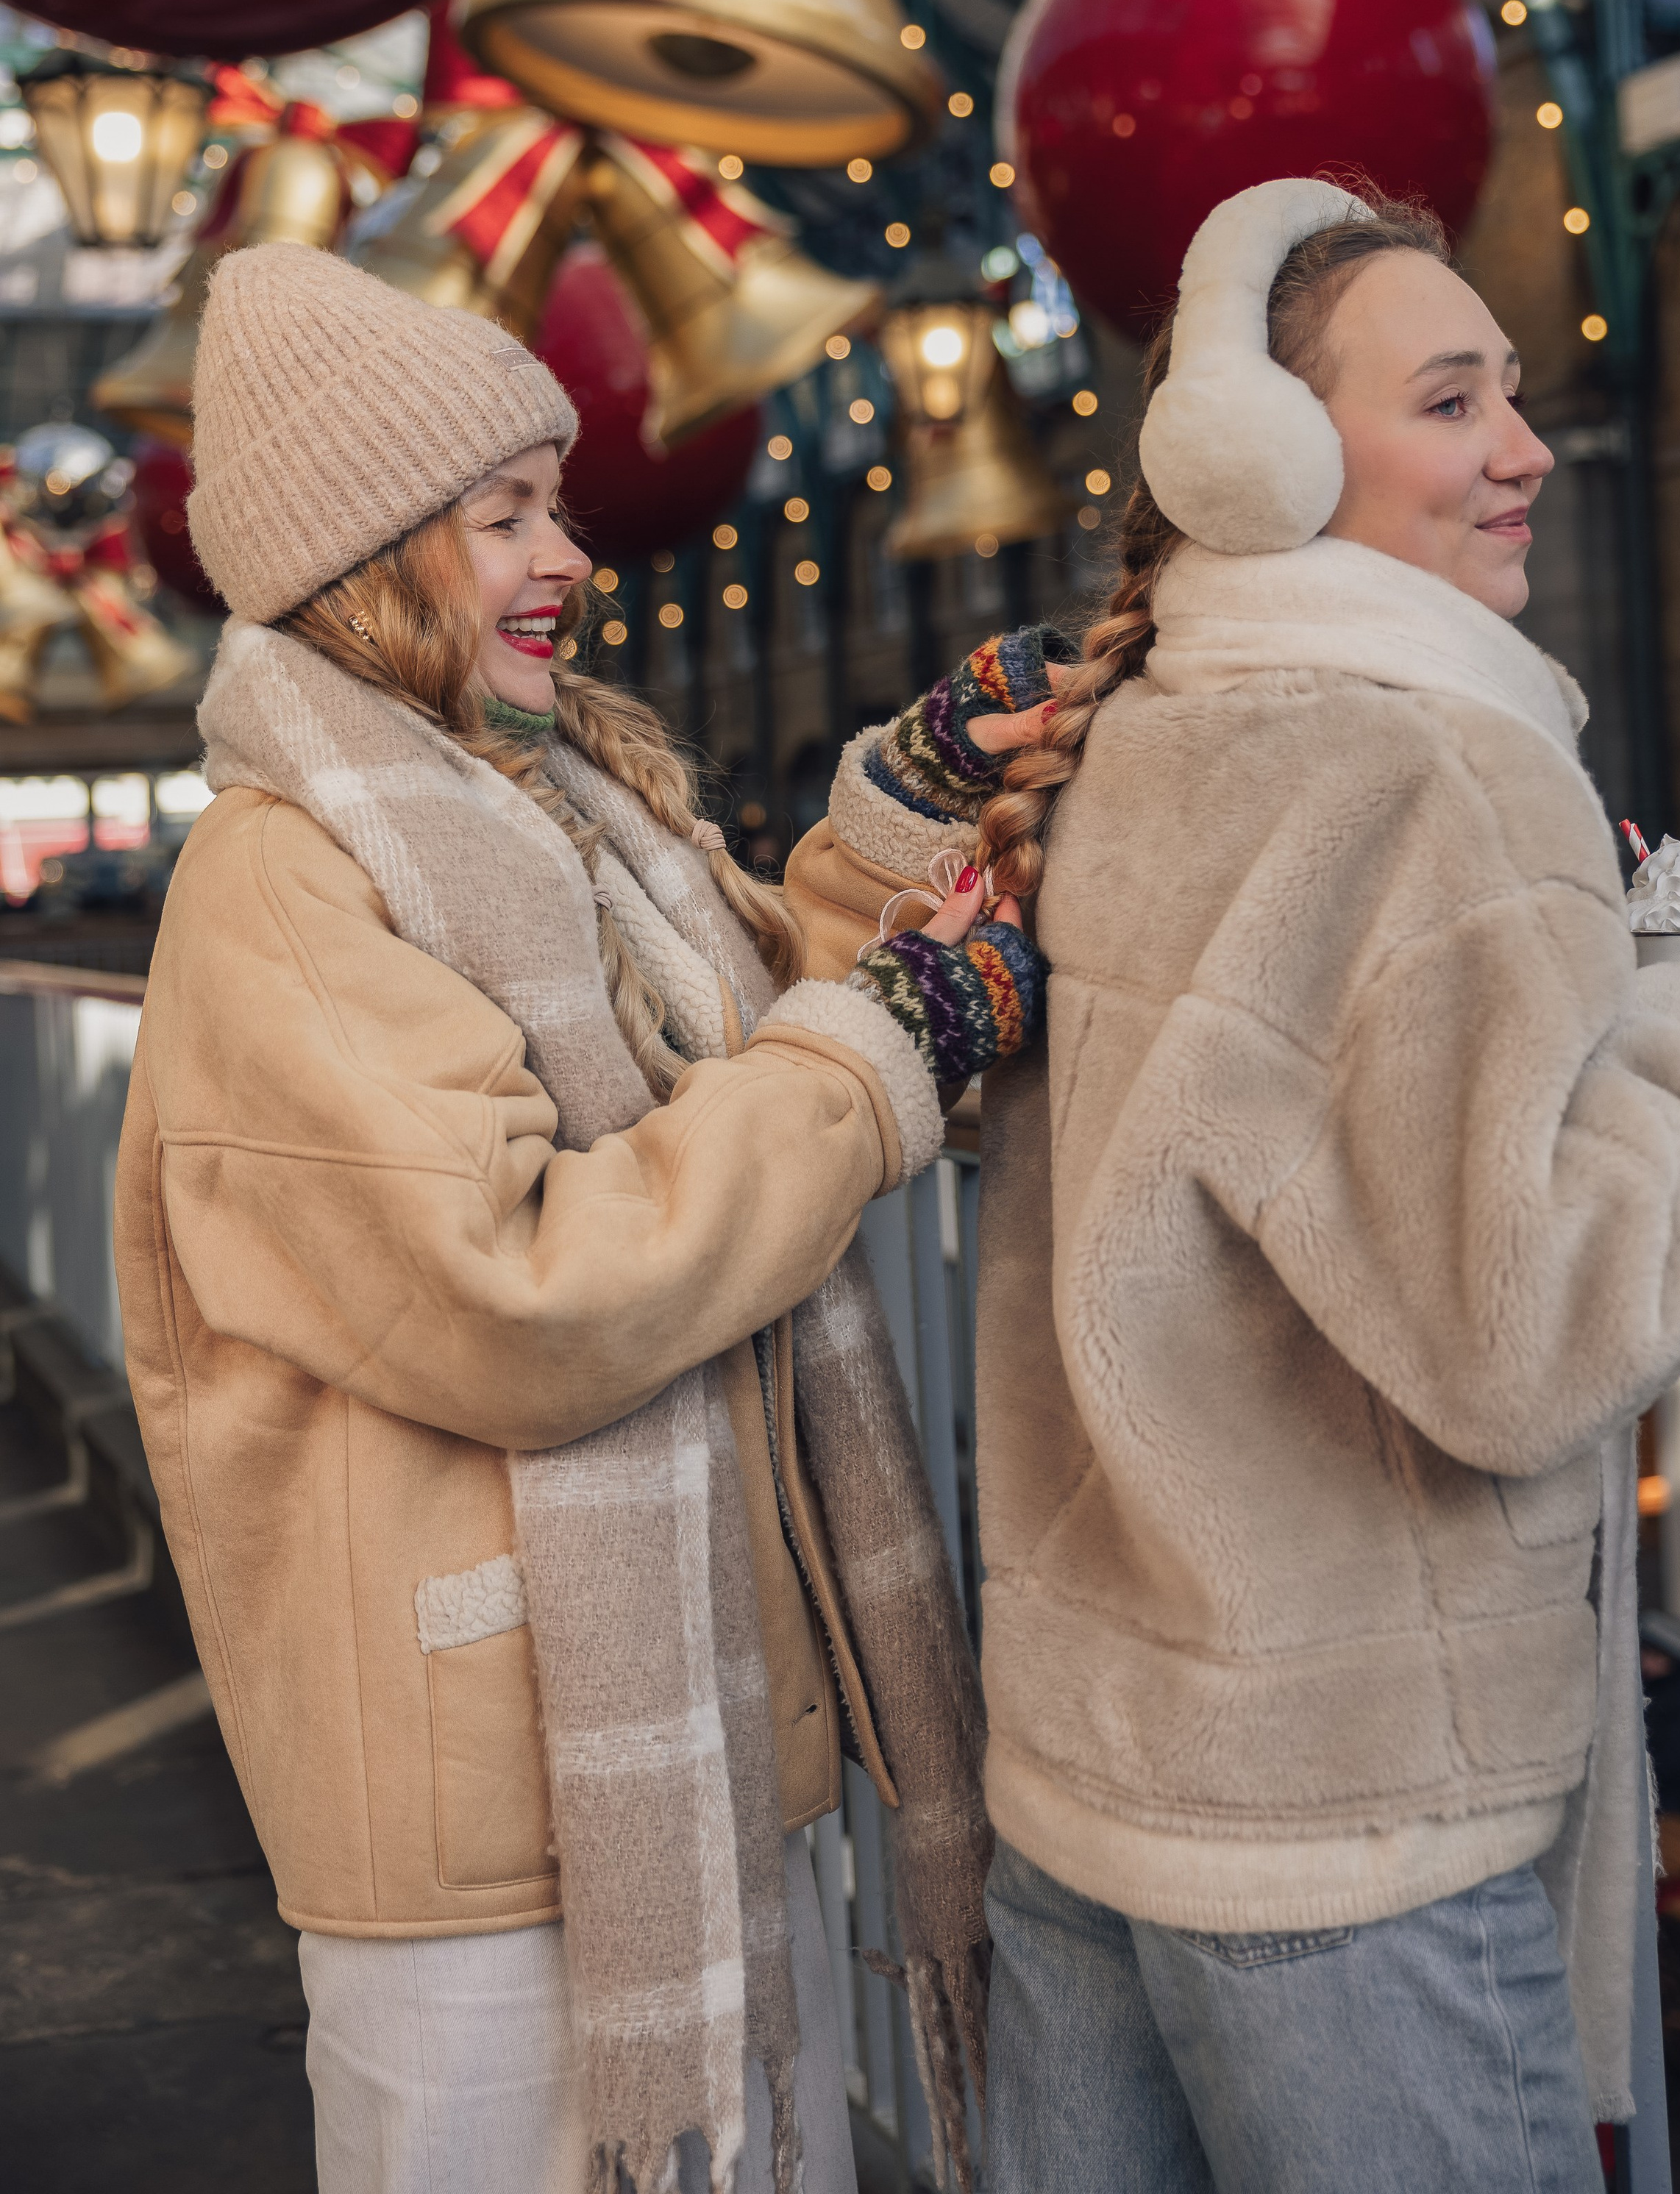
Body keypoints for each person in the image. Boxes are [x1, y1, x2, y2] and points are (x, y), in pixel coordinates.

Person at [791, 179, 1680, 2192]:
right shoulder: (1432, 774)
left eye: (1515, 393)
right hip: (1344, 1821)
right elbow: (1528, 1333)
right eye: (1454, 402)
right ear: (1269, 460)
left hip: (1089, 1772)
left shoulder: (1131, 742)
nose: (1527, 447)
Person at [112, 245, 1042, 2194]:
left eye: (559, 507)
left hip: (651, 1741)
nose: (570, 558)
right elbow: (527, 1292)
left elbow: (776, 1022)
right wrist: (888, 1055)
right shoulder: (287, 887)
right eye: (506, 515)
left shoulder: (558, 819)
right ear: (369, 560)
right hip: (484, 1826)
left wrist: (912, 806)